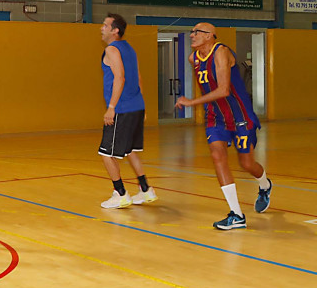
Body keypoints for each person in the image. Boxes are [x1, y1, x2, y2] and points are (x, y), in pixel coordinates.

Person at [175, 23, 272, 230]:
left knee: (247, 164)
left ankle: (265, 184)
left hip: (240, 115)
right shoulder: (194, 58)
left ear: (209, 35)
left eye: (197, 32)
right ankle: (237, 214)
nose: (192, 35)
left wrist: (191, 102)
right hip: (215, 116)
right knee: (217, 155)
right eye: (191, 32)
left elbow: (223, 90)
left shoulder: (221, 52)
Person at [97, 14, 157, 208]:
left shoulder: (112, 49)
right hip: (136, 106)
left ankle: (120, 193)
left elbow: (120, 78)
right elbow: (138, 77)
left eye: (105, 25)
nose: (101, 28)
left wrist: (111, 107)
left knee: (106, 153)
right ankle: (146, 189)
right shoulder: (129, 49)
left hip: (121, 108)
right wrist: (142, 105)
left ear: (115, 30)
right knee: (130, 151)